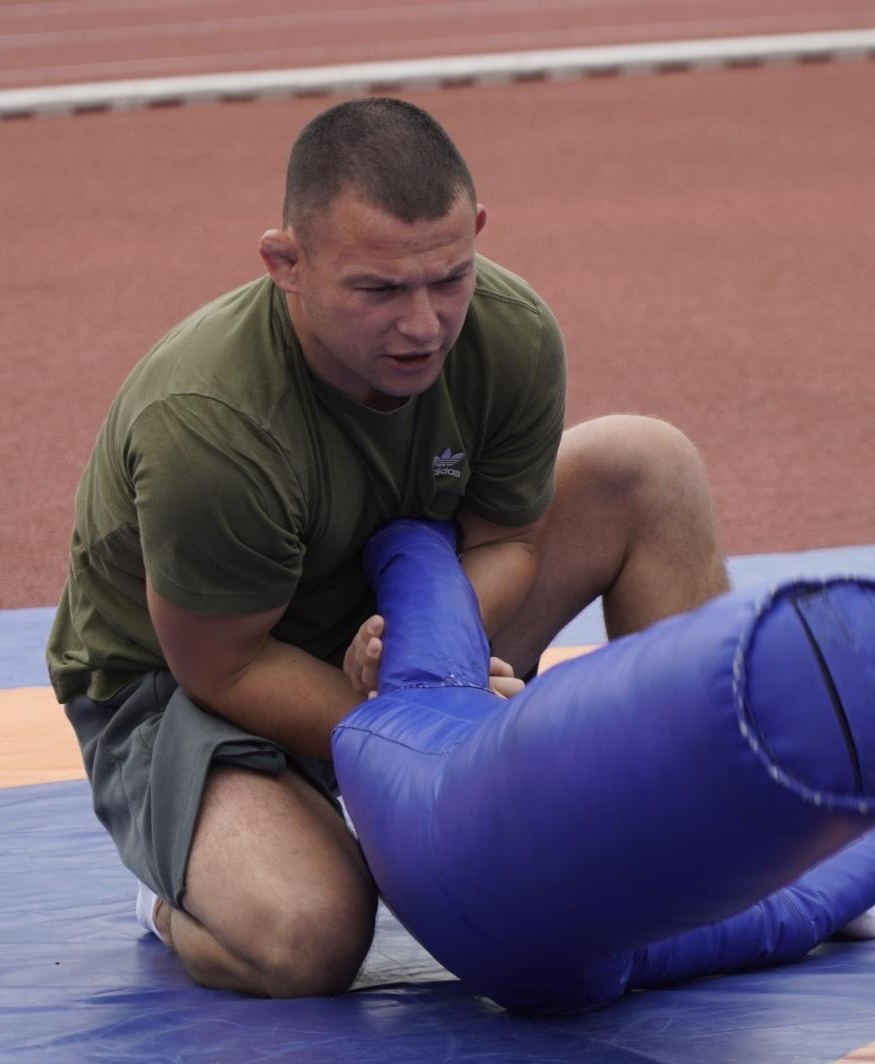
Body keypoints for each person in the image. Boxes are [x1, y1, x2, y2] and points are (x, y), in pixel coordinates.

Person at [46, 97, 729, 1000]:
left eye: (449, 278)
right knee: (305, 940)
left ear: (477, 234)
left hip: (402, 621)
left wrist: (428, 661)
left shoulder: (510, 331)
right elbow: (223, 665)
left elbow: (509, 543)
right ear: (286, 263)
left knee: (647, 464)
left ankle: (718, 821)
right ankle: (178, 888)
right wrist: (431, 737)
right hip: (192, 688)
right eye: (377, 291)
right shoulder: (209, 423)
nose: (422, 326)